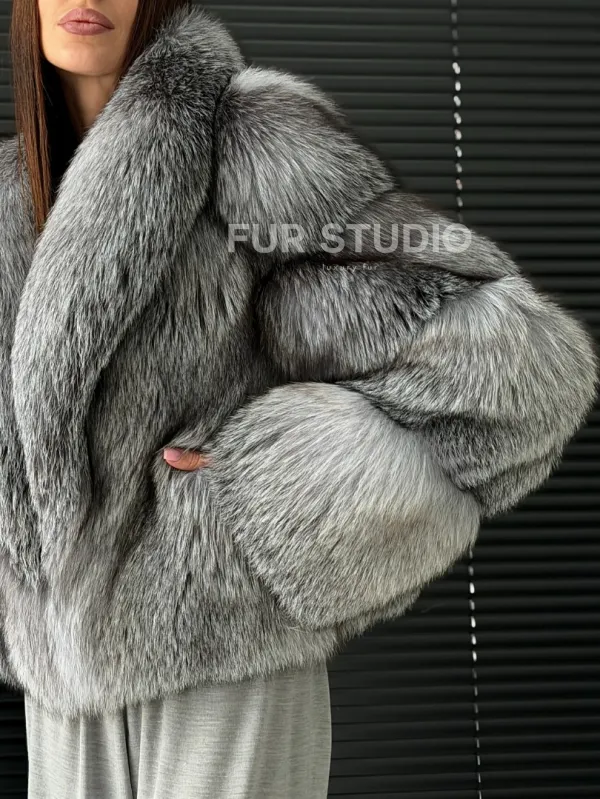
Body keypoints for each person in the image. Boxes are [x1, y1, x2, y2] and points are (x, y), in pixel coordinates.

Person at [0, 0, 596, 797]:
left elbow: (519, 360)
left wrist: (269, 490)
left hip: (222, 644)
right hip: (60, 679)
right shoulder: (11, 192)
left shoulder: (252, 138)